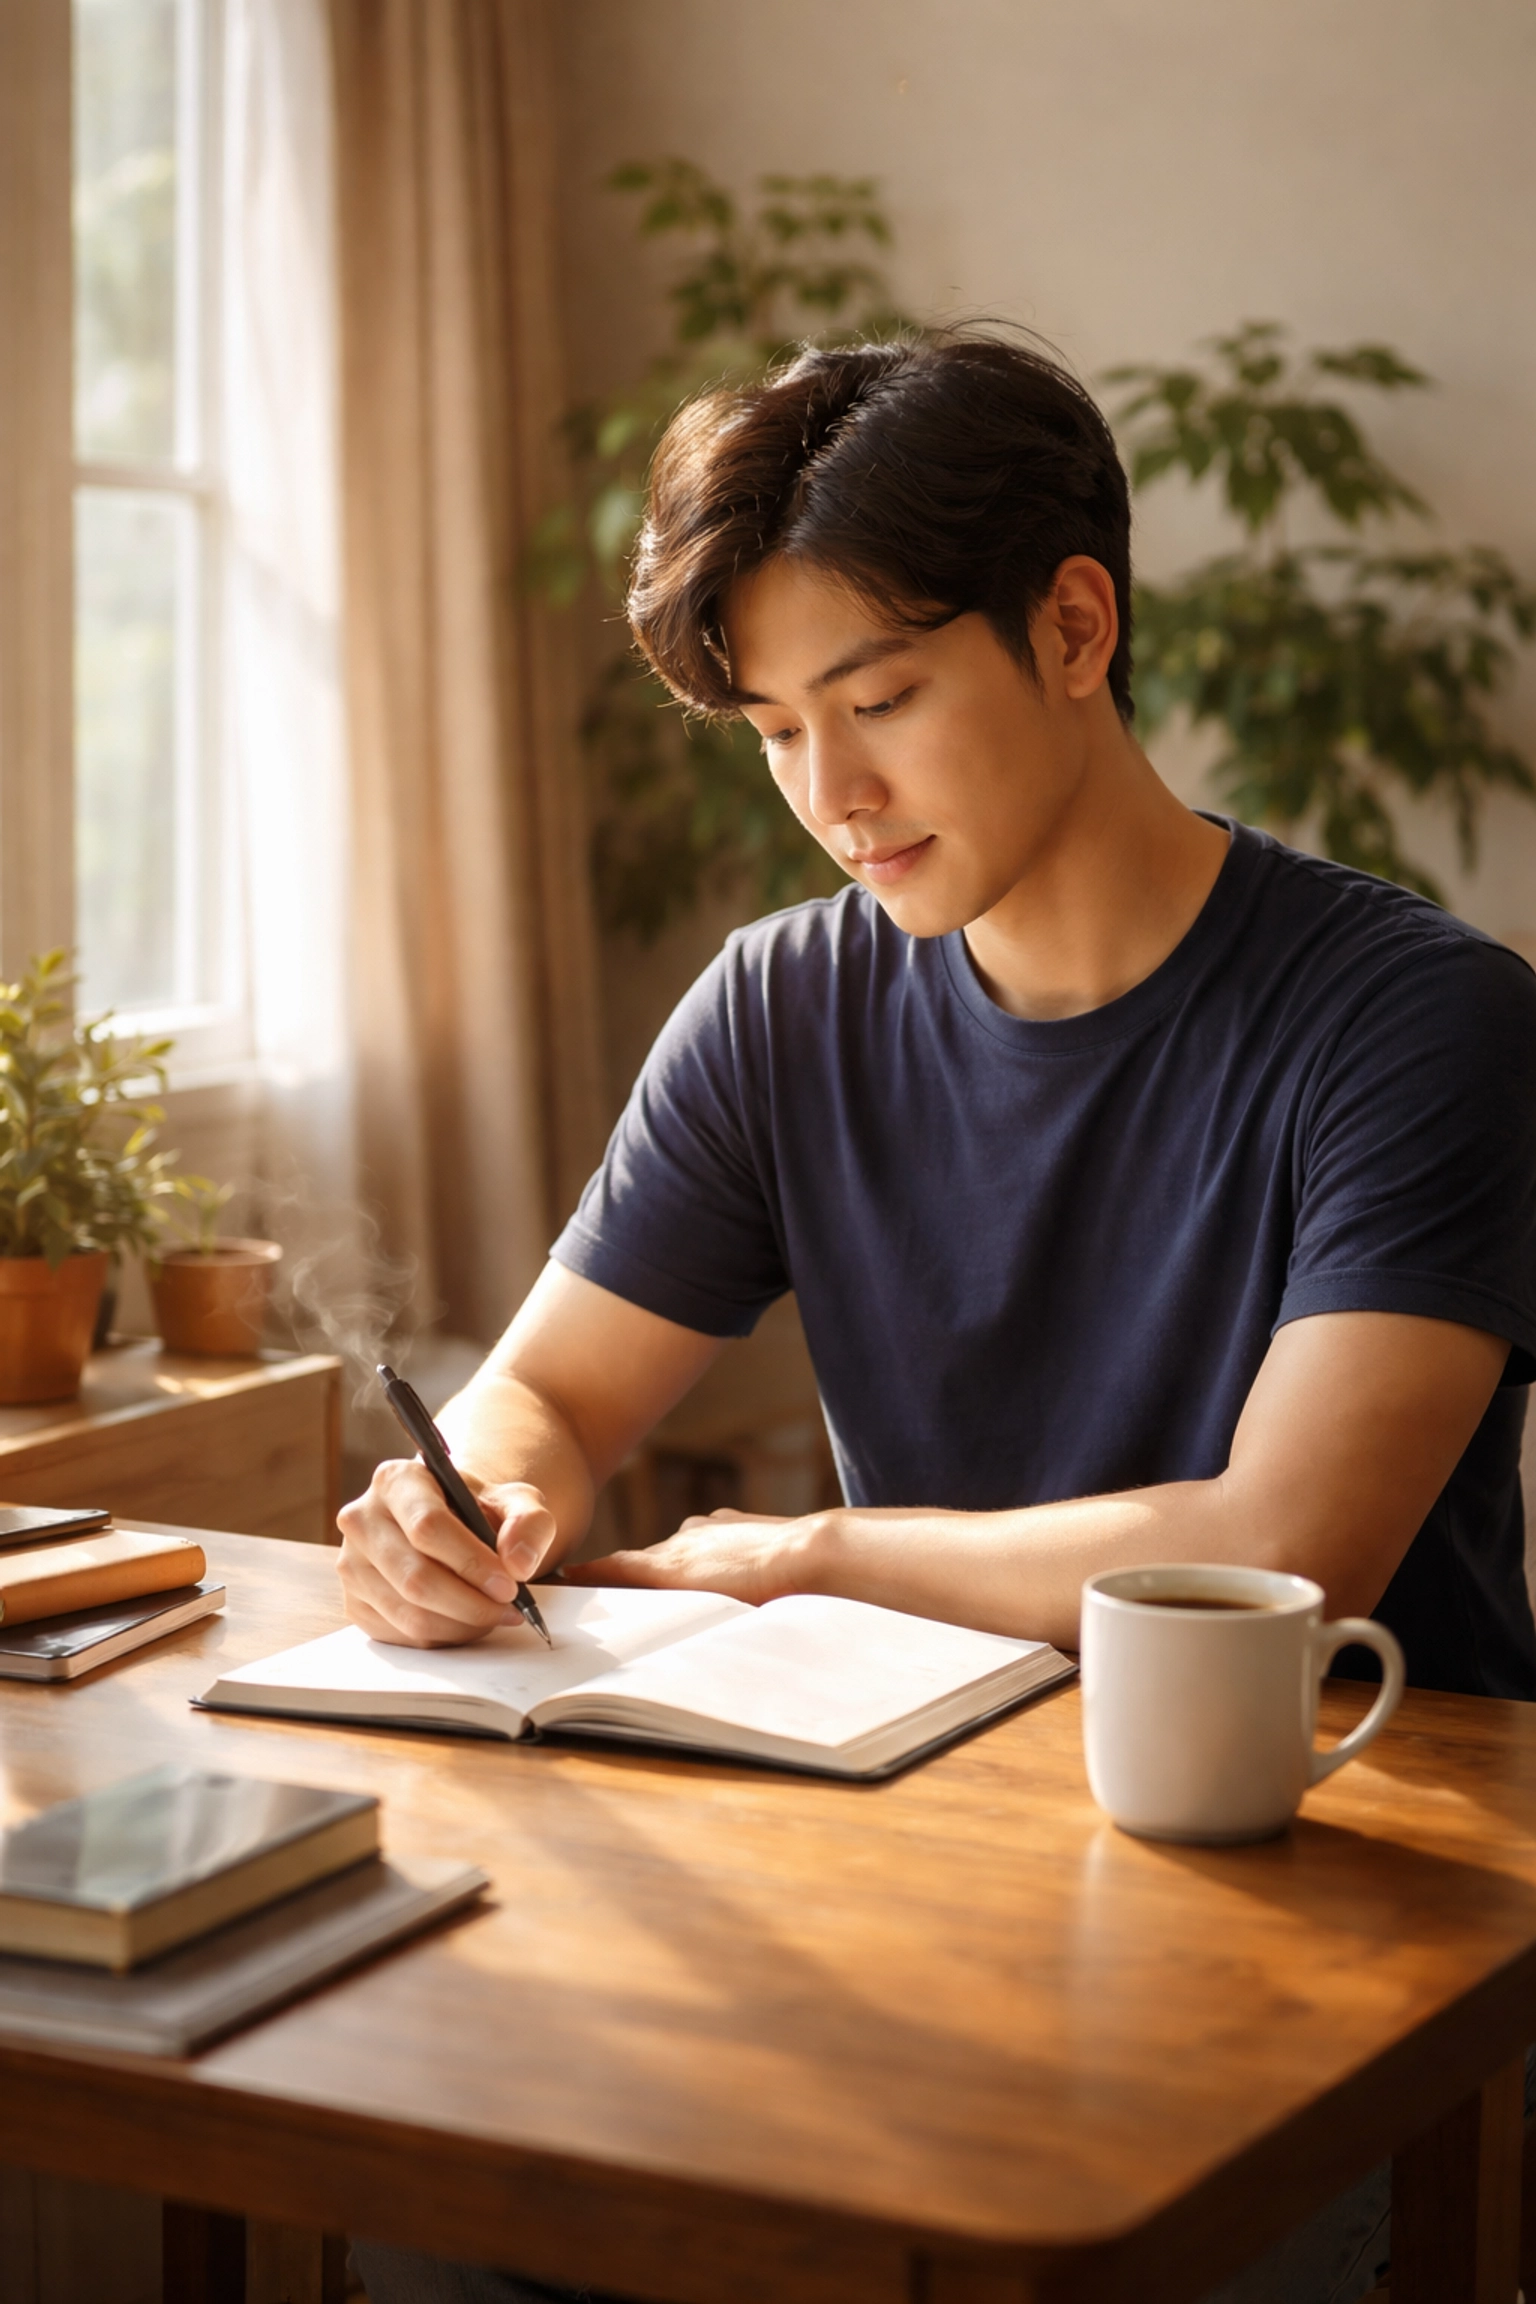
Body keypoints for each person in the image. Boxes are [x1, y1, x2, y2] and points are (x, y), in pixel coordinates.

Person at [342, 331, 1536, 2304]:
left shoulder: (1416, 1025)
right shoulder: (778, 1009)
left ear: (1076, 628)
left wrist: (805, 1552)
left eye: (879, 699)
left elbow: (1273, 1552)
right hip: (916, 1839)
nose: (833, 792)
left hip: (1336, 1884)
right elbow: (552, 1386)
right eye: (776, 730)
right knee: (462, 2224)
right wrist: (461, 1497)